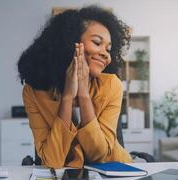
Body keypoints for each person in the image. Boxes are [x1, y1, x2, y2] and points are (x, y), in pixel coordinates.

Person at [18, 5, 133, 169]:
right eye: (97, 42)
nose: (106, 54)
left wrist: (84, 94)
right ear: (70, 42)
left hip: (112, 173)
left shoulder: (111, 85)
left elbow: (98, 154)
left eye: (108, 49)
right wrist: (67, 97)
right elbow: (51, 162)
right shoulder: (34, 93)